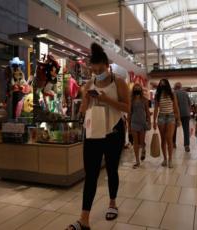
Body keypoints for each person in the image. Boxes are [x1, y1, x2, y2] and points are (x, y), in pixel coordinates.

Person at [67, 43, 130, 230]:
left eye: (100, 69)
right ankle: (84, 219)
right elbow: (83, 110)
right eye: (94, 69)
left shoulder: (118, 82)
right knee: (91, 174)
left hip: (114, 131)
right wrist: (86, 100)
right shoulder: (89, 83)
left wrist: (105, 99)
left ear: (106, 65)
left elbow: (127, 107)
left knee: (111, 170)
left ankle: (112, 203)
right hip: (93, 132)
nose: (97, 72)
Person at [153, 79, 181, 168]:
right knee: (163, 139)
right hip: (161, 117)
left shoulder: (172, 94)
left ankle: (170, 160)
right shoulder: (157, 95)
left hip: (171, 117)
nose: (162, 85)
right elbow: (156, 109)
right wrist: (154, 121)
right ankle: (165, 159)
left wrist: (179, 119)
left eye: (164, 83)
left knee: (169, 138)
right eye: (161, 83)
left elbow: (176, 107)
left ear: (167, 84)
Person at [128, 83, 151, 169]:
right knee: (135, 143)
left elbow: (147, 112)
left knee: (141, 142)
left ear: (141, 90)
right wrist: (128, 125)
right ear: (133, 90)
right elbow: (129, 113)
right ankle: (137, 161)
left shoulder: (144, 100)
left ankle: (143, 150)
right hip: (134, 122)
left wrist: (149, 122)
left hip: (142, 123)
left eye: (138, 88)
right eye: (135, 88)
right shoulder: (131, 100)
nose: (137, 90)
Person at [173, 82, 192, 152]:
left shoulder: (174, 93)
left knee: (174, 129)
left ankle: (173, 143)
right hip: (186, 114)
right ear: (180, 87)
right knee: (186, 130)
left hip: (176, 114)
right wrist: (189, 112)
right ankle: (187, 145)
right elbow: (189, 103)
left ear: (175, 87)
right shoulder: (185, 93)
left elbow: (174, 104)